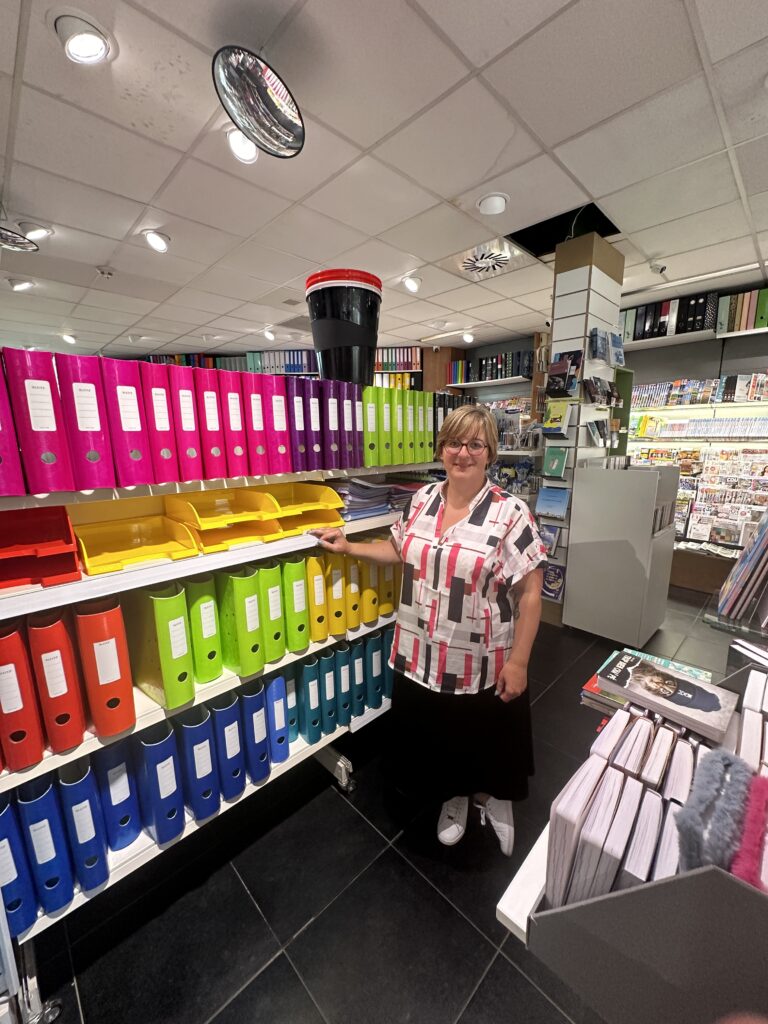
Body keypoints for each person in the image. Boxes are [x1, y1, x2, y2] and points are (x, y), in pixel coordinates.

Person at [311, 404, 546, 856]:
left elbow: (531, 593)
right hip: (424, 651)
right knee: (445, 736)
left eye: (475, 444)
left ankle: (495, 799)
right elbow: (399, 550)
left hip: (481, 656)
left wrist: (519, 661)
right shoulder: (421, 501)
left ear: (489, 453)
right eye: (455, 443)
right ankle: (455, 799)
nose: (463, 452)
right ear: (441, 449)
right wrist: (349, 548)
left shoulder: (510, 512)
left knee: (488, 735)